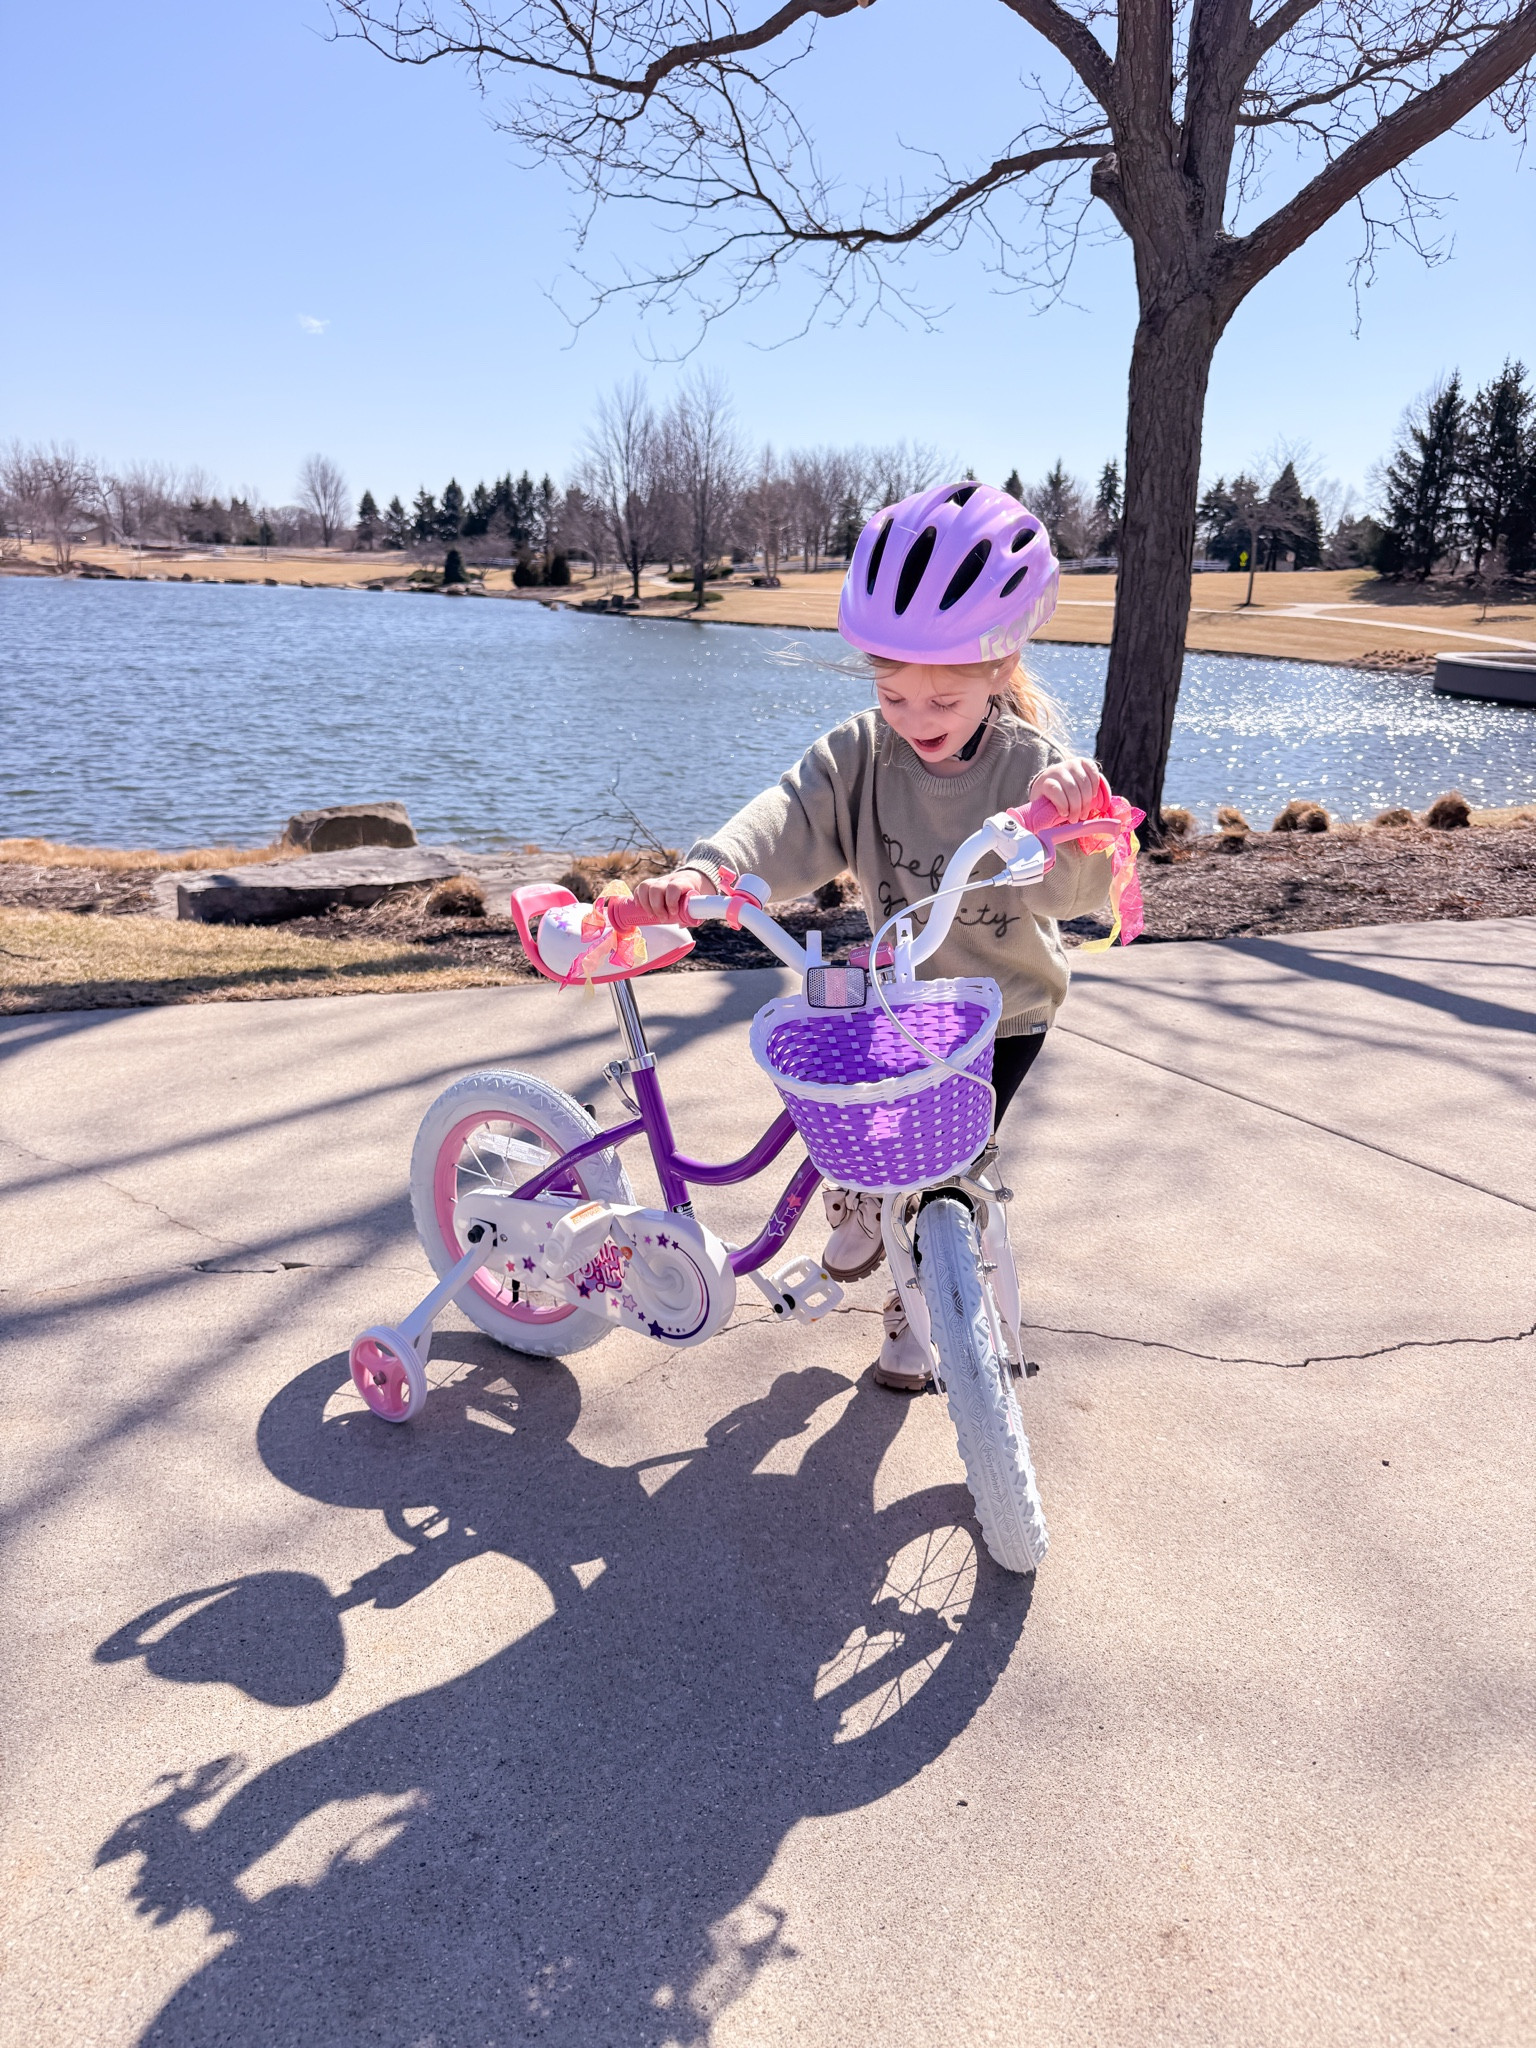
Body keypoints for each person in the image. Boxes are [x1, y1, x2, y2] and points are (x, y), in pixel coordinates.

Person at [632, 480, 1116, 1391]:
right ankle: (862, 1197)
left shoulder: (1034, 769)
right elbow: (787, 817)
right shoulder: (862, 753)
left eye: (943, 701)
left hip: (1001, 1012)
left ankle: (915, 1308)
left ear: (1000, 673)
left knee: (947, 1176)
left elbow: (1079, 892)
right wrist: (709, 872)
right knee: (853, 1103)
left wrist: (1071, 825)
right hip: (896, 998)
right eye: (894, 695)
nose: (917, 721)